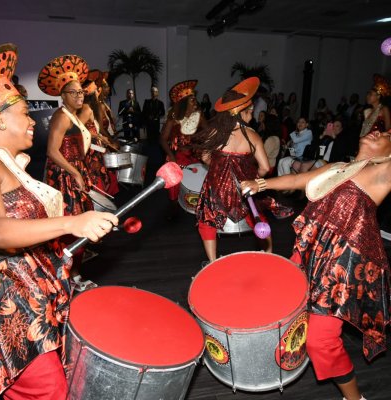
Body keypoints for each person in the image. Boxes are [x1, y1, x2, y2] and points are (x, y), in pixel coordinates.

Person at [0, 42, 117, 400]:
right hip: (7, 305)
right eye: (25, 113)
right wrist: (70, 224)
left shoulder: (7, 164)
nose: (33, 120)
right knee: (48, 388)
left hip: (31, 292)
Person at [241, 130, 391, 400]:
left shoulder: (382, 175)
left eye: (387, 133)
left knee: (321, 341)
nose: (378, 130)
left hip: (340, 267)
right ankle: (284, 351)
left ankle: (355, 399)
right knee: (286, 304)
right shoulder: (338, 167)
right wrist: (260, 184)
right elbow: (299, 179)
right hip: (310, 249)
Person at [193, 77, 270, 262]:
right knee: (258, 218)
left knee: (206, 221)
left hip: (217, 189)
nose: (252, 113)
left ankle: (212, 261)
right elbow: (266, 168)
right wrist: (255, 179)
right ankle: (268, 256)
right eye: (250, 110)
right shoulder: (253, 135)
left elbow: (204, 157)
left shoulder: (215, 132)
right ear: (242, 113)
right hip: (244, 188)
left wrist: (219, 169)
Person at [38, 53, 97, 291]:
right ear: (63, 96)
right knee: (71, 226)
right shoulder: (61, 116)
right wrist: (75, 173)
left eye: (81, 91)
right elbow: (52, 151)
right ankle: (70, 276)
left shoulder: (74, 115)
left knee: (79, 224)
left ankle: (74, 274)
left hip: (73, 173)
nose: (80, 95)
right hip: (64, 177)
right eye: (74, 92)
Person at [160, 80, 206, 216]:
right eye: (192, 99)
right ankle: (174, 205)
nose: (195, 101)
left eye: (194, 99)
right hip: (178, 155)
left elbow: (210, 134)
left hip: (195, 156)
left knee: (201, 177)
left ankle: (200, 206)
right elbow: (162, 139)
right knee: (174, 177)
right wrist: (172, 157)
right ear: (184, 101)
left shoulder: (199, 116)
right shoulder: (173, 118)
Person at [79, 80, 114, 194]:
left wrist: (101, 138)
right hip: (91, 150)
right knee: (95, 179)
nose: (98, 93)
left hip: (95, 147)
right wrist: (98, 136)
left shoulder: (89, 108)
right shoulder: (86, 109)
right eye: (96, 91)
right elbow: (79, 129)